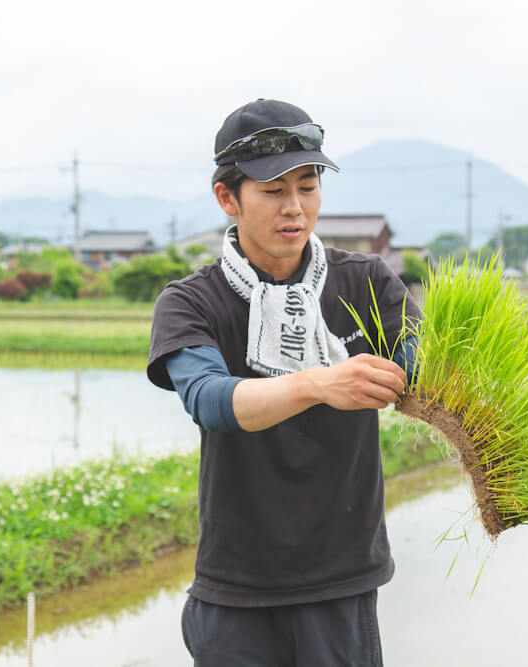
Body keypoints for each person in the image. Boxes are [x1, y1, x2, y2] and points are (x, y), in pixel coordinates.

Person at [146, 98, 421, 667]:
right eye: (273, 191)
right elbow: (211, 399)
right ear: (229, 198)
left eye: (308, 186)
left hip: (340, 581)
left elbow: (429, 368)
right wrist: (319, 383)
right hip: (236, 587)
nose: (294, 208)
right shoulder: (192, 301)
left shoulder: (364, 282)